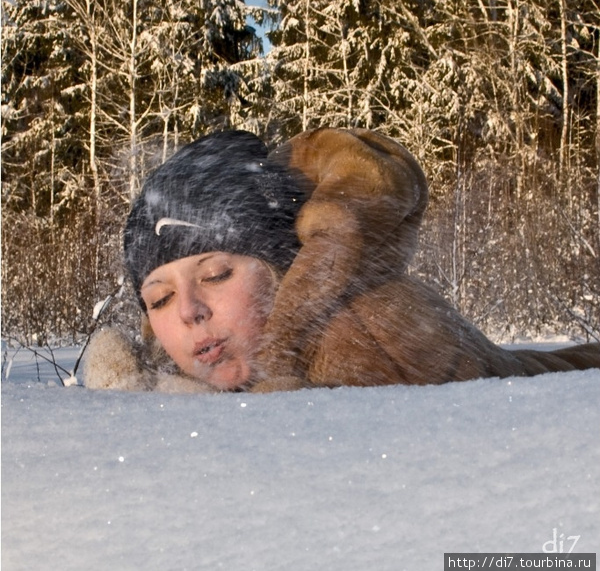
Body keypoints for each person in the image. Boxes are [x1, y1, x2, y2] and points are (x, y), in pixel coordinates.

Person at [83, 128, 600, 393]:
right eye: (160, 298)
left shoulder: (369, 331)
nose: (189, 311)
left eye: (216, 274)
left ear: (286, 268)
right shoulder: (186, 368)